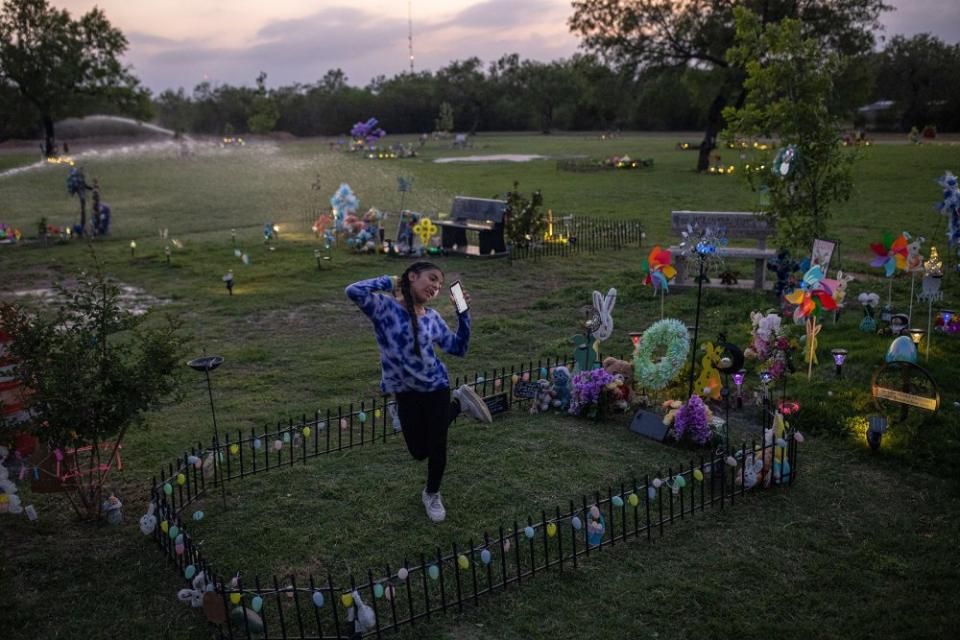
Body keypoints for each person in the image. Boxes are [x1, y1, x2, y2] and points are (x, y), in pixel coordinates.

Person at [345, 262, 492, 523]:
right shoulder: (384, 309)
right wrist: (391, 281)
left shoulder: (432, 318)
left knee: (437, 445)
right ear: (412, 277)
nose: (435, 287)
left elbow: (458, 348)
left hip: (436, 387)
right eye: (431, 279)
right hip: (404, 393)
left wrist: (463, 313)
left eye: (439, 284)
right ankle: (460, 405)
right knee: (418, 451)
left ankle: (432, 493)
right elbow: (353, 290)